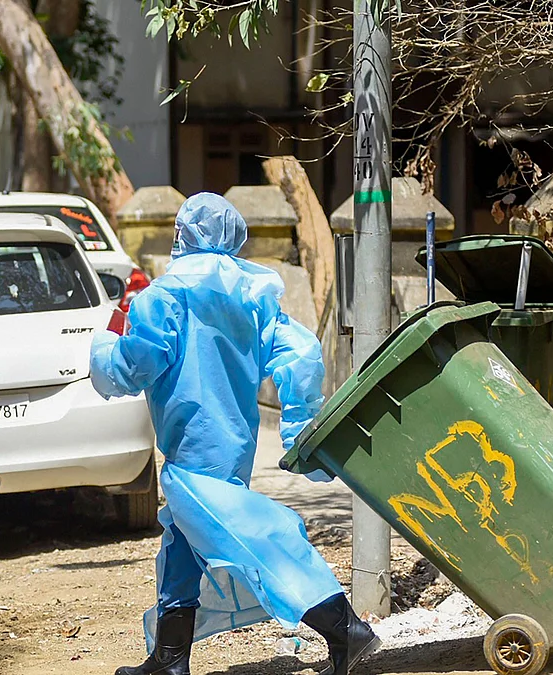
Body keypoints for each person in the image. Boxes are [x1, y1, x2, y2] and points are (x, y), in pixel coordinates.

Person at [89, 193, 379, 675]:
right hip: (233, 445)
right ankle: (169, 660)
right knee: (181, 541)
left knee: (260, 538)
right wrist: (297, 422)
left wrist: (102, 350)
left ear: (182, 234)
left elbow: (135, 366)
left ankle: (344, 627)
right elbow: (301, 353)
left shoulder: (164, 298)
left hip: (191, 447)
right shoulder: (252, 296)